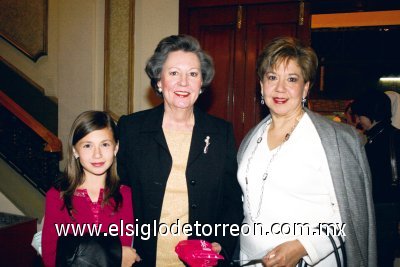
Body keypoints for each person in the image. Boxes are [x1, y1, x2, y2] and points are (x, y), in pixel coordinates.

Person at [237, 37, 376, 266]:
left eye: (292, 79)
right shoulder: (251, 138)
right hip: (251, 259)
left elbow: (351, 214)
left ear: (306, 87)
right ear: (261, 85)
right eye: (272, 77)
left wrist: (304, 247)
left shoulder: (337, 139)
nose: (280, 88)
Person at [117, 34, 243, 266]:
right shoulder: (131, 129)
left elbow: (233, 200)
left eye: (193, 74)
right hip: (141, 258)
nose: (183, 83)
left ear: (201, 84)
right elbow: (113, 193)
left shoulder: (220, 132)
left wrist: (222, 242)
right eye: (174, 73)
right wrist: (115, 249)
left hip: (201, 261)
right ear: (158, 81)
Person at [42, 111, 139, 267]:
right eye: (87, 145)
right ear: (75, 150)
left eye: (105, 144)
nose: (97, 154)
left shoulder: (126, 195)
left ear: (116, 148)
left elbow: (126, 255)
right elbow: (51, 257)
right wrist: (114, 254)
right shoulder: (57, 197)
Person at [351, 90, 400, 267]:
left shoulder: (375, 142)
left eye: (359, 115)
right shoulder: (387, 136)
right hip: (387, 208)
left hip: (383, 209)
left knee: (378, 257)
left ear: (370, 113)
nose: (358, 121)